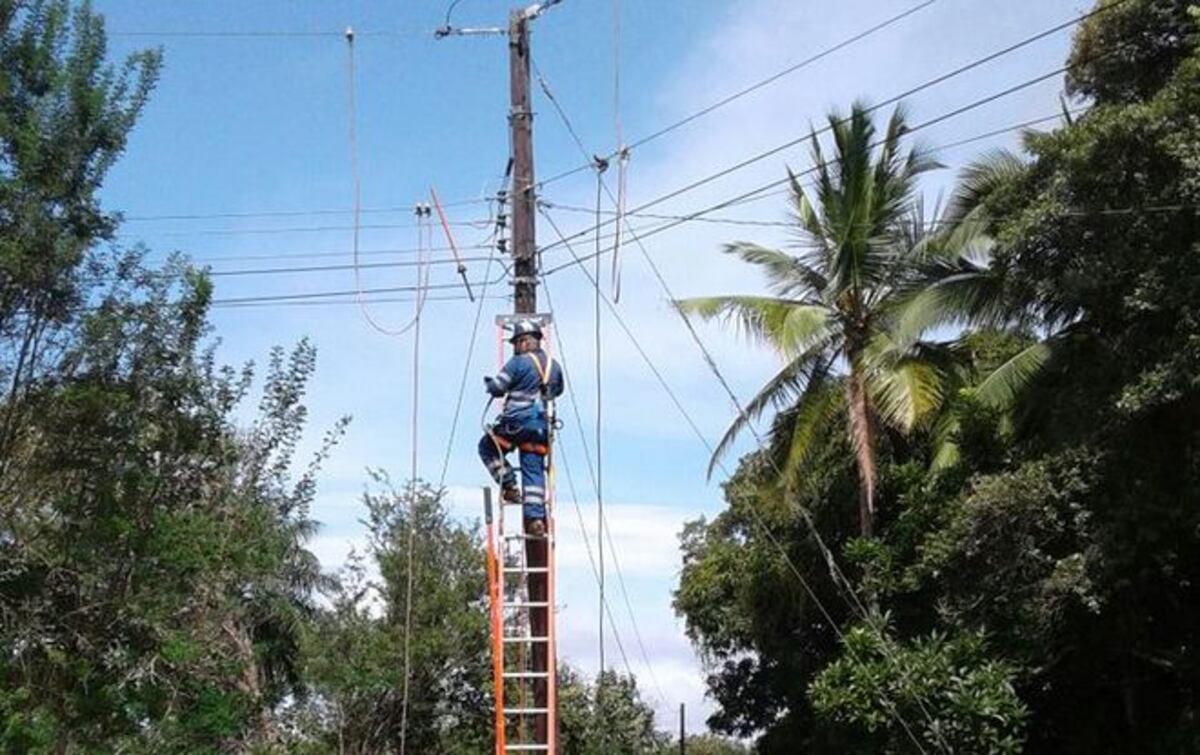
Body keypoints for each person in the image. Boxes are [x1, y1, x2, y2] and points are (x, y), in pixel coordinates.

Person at [478, 319, 563, 535]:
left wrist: (490, 384)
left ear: (524, 341)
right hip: (541, 429)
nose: (515, 347)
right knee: (533, 470)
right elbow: (558, 390)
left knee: (487, 447)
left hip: (515, 425)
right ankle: (535, 520)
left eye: (516, 343)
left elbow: (499, 387)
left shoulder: (518, 363)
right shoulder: (554, 366)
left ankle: (509, 486)